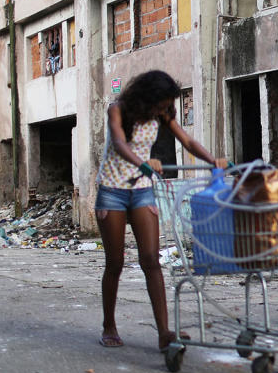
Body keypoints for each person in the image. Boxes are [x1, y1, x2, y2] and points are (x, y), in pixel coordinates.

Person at [95, 70, 227, 351]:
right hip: (113, 191)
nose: (164, 109)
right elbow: (119, 144)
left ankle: (165, 332)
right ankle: (109, 325)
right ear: (147, 98)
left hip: (142, 190)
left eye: (167, 105)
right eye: (161, 104)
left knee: (151, 260)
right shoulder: (117, 110)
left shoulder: (163, 116)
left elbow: (188, 142)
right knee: (115, 263)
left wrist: (212, 160)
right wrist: (143, 162)